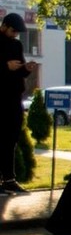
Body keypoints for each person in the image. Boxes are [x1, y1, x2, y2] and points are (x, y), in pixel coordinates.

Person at [0, 11, 36, 194]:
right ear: (4, 26)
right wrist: (6, 66)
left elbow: (20, 69)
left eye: (17, 32)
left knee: (11, 140)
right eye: (13, 31)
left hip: (14, 97)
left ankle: (9, 179)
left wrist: (26, 68)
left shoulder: (16, 45)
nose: (15, 35)